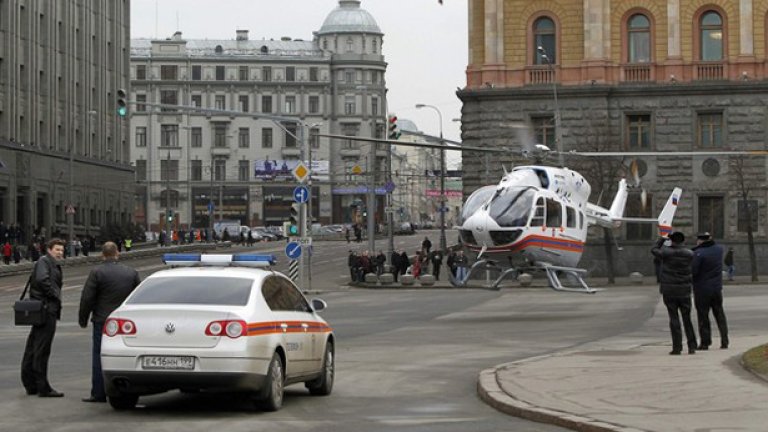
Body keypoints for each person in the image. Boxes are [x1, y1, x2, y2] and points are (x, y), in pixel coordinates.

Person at [78, 242, 141, 402]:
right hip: (125, 322)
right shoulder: (131, 272)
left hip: (102, 320)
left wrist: (83, 319)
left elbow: (87, 298)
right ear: (117, 254)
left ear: (102, 255)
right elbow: (138, 297)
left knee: (99, 355)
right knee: (123, 354)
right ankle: (124, 388)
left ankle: (98, 392)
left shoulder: (97, 272)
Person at [21, 238, 66, 397]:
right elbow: (42, 280)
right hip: (46, 310)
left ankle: (30, 383)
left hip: (44, 309)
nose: (60, 253)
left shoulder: (49, 263)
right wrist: (55, 295)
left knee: (34, 346)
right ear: (49, 249)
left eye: (61, 250)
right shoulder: (45, 262)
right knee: (41, 349)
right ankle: (43, 387)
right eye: (57, 250)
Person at [651, 232, 697, 355]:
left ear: (672, 241)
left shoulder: (666, 254)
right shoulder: (689, 254)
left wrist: (662, 239)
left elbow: (654, 250)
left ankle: (677, 347)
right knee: (687, 318)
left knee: (674, 318)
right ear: (683, 241)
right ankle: (692, 346)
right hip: (684, 290)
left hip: (669, 290)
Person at [692, 232, 729, 350]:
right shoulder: (719, 250)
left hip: (702, 289)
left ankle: (705, 342)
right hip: (716, 288)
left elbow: (694, 271)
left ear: (700, 241)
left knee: (703, 316)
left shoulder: (699, 253)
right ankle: (724, 340)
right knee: (719, 314)